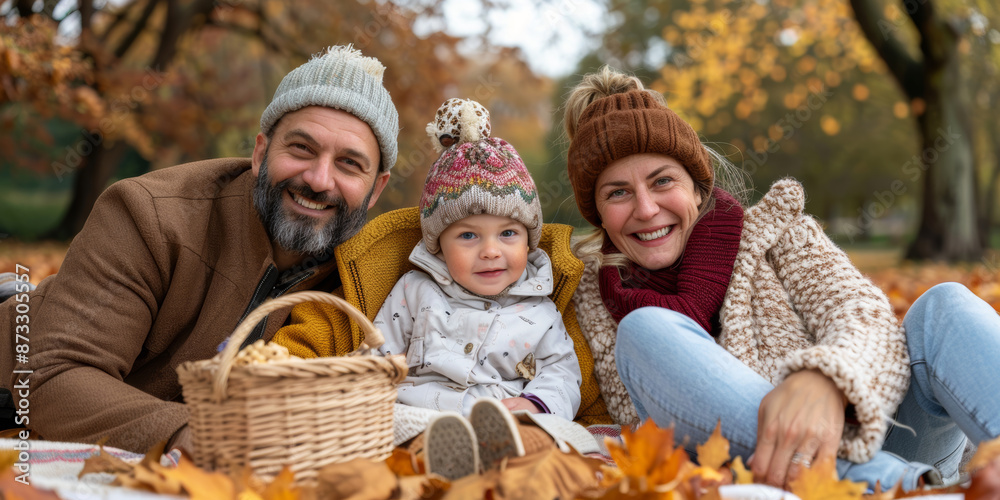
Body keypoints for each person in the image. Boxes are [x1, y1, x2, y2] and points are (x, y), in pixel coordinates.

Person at [564, 66, 1000, 491]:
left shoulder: (778, 234)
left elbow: (862, 313)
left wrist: (825, 380)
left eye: (663, 181)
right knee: (646, 329)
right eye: (617, 192)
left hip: (890, 435)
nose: (645, 209)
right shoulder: (584, 296)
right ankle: (904, 488)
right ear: (597, 213)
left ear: (697, 187)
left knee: (946, 307)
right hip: (758, 471)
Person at [0, 44, 399, 453]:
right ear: (261, 153)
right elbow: (54, 375)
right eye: (301, 149)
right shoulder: (147, 214)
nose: (318, 179)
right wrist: (200, 437)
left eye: (350, 163)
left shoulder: (362, 279)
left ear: (375, 190)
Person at [281, 98, 599, 480]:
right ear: (438, 244)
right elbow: (380, 351)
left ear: (528, 240)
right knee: (406, 445)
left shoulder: (540, 309)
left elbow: (562, 372)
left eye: (509, 234)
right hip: (420, 414)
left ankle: (511, 466)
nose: (491, 251)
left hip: (503, 415)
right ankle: (437, 469)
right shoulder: (416, 290)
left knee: (539, 443)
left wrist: (535, 404)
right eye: (468, 235)